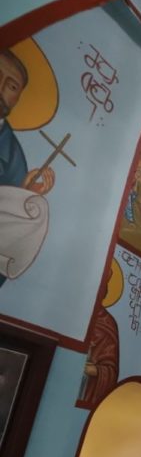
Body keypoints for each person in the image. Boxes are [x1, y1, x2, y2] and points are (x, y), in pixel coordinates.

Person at [0, 48, 55, 289]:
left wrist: (22, 196)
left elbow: (6, 243)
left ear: (18, 99)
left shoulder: (11, 158)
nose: (0, 88)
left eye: (11, 87)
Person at [77, 268, 119, 409]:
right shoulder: (76, 311)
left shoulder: (108, 323)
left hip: (87, 388)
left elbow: (111, 370)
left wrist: (95, 370)